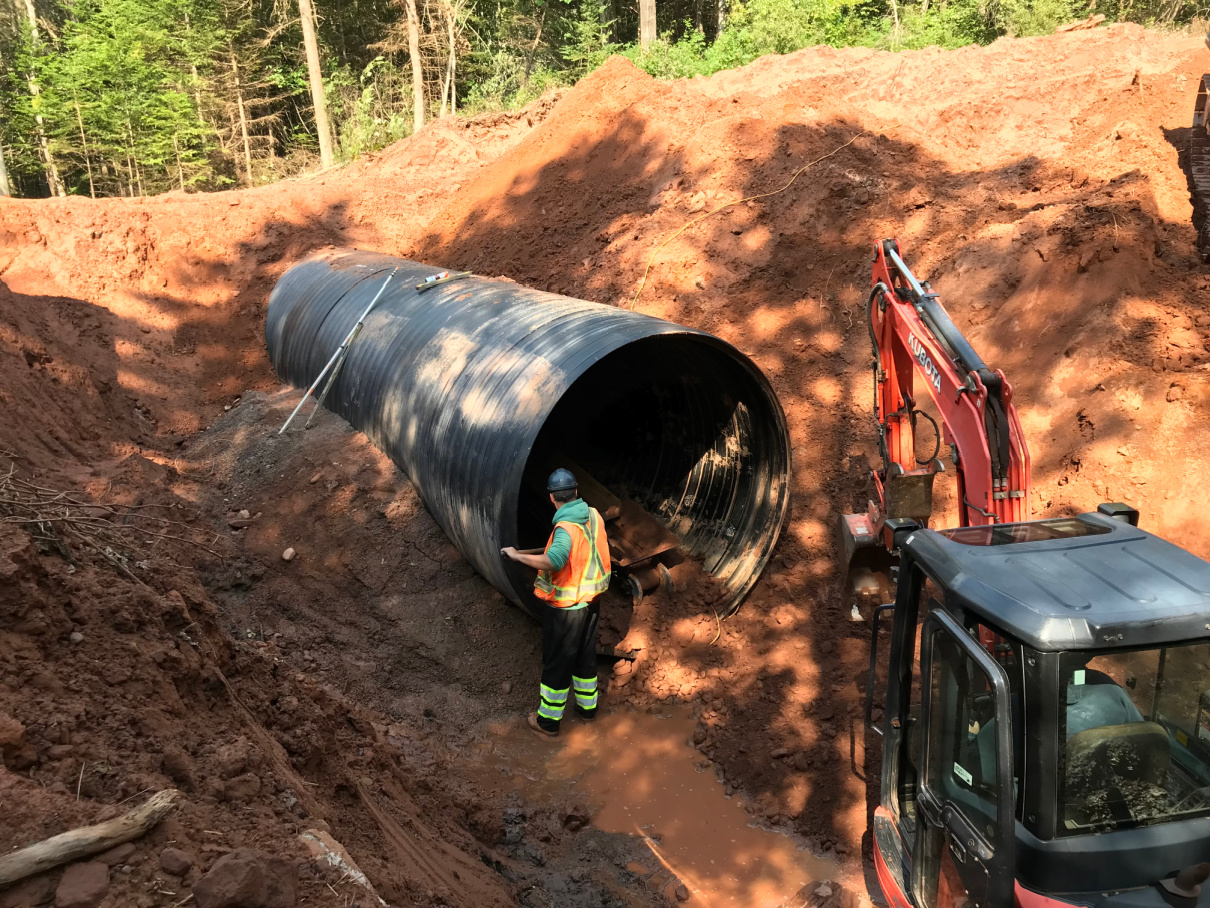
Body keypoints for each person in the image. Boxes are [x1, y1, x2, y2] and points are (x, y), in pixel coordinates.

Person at [501, 468, 611, 738]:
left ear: (552, 498)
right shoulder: (593, 516)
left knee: (557, 663)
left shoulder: (565, 530)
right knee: (584, 657)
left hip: (567, 609)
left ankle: (547, 722)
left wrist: (517, 557)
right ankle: (587, 709)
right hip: (590, 603)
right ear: (575, 492)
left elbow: (555, 560)